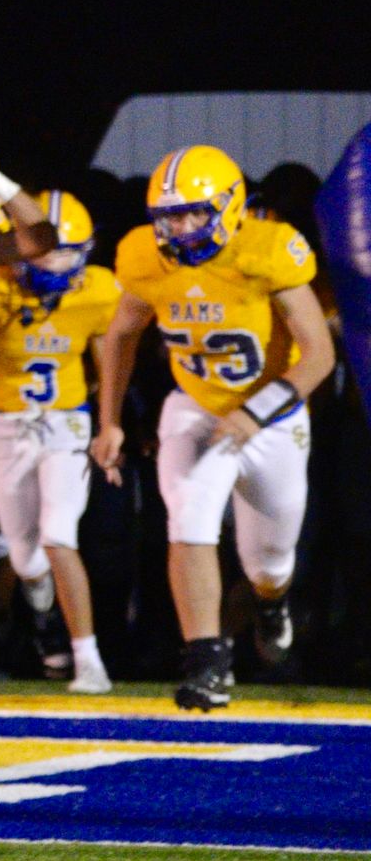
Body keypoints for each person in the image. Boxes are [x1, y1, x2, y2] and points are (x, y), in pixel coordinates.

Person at [91, 145, 338, 710]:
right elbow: (121, 335)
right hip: (198, 404)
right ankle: (206, 661)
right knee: (189, 511)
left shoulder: (267, 250)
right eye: (168, 216)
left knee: (269, 563)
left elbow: (318, 355)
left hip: (271, 413)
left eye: (192, 213)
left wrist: (255, 412)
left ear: (229, 207)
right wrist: (109, 422)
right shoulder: (146, 258)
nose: (178, 227)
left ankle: (270, 601)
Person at [0, 191, 120, 692]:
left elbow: (111, 364)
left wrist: (111, 426)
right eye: (45, 250)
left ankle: (89, 659)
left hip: (67, 426)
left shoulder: (98, 291)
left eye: (67, 250)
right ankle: (42, 620)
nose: (56, 261)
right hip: (10, 427)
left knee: (59, 533)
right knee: (26, 560)